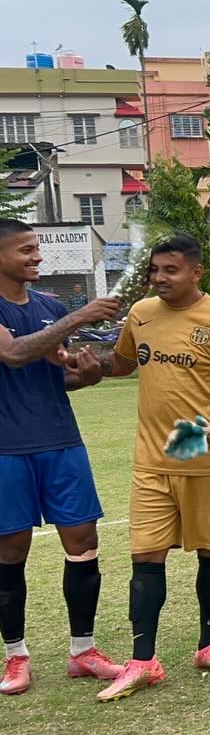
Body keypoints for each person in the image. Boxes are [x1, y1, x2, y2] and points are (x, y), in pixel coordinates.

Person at [96, 233, 210, 702]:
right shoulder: (142, 314)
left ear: (196, 272)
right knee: (146, 557)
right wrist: (82, 365)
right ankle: (143, 660)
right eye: (155, 270)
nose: (159, 278)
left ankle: (208, 644)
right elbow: (120, 364)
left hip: (203, 458)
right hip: (152, 461)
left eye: (170, 270)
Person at [0, 219, 125, 697]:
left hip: (61, 442)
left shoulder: (49, 306)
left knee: (83, 541)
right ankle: (15, 656)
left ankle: (83, 650)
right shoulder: (56, 314)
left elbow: (65, 376)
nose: (36, 257)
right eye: (25, 250)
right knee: (10, 552)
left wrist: (88, 371)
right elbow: (12, 355)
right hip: (7, 449)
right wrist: (79, 317)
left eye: (37, 249)